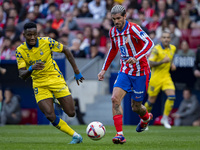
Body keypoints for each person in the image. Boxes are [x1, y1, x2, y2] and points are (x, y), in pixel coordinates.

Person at [15, 22, 84, 144]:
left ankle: (55, 98)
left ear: (37, 34)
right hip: (39, 83)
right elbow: (21, 74)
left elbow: (66, 50)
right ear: (24, 35)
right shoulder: (20, 51)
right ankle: (76, 136)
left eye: (34, 34)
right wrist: (31, 68)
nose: (32, 37)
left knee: (71, 113)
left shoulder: (46, 42)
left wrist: (76, 71)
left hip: (55, 79)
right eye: (29, 35)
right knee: (49, 115)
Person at [98, 5, 154, 144]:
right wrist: (104, 69)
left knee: (136, 107)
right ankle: (120, 135)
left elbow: (149, 43)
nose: (116, 21)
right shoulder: (113, 32)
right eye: (114, 19)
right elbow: (113, 50)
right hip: (125, 71)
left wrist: (137, 57)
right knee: (115, 99)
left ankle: (146, 118)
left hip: (141, 72)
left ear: (124, 16)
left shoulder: (133, 28)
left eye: (118, 18)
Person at [144, 31, 176, 129]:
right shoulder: (156, 49)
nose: (166, 39)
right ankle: (144, 120)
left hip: (166, 77)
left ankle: (165, 118)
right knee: (150, 102)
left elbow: (170, 60)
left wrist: (171, 64)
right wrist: (163, 61)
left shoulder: (173, 48)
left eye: (168, 37)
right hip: (156, 78)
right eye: (164, 37)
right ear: (161, 39)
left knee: (171, 97)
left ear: (170, 39)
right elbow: (151, 63)